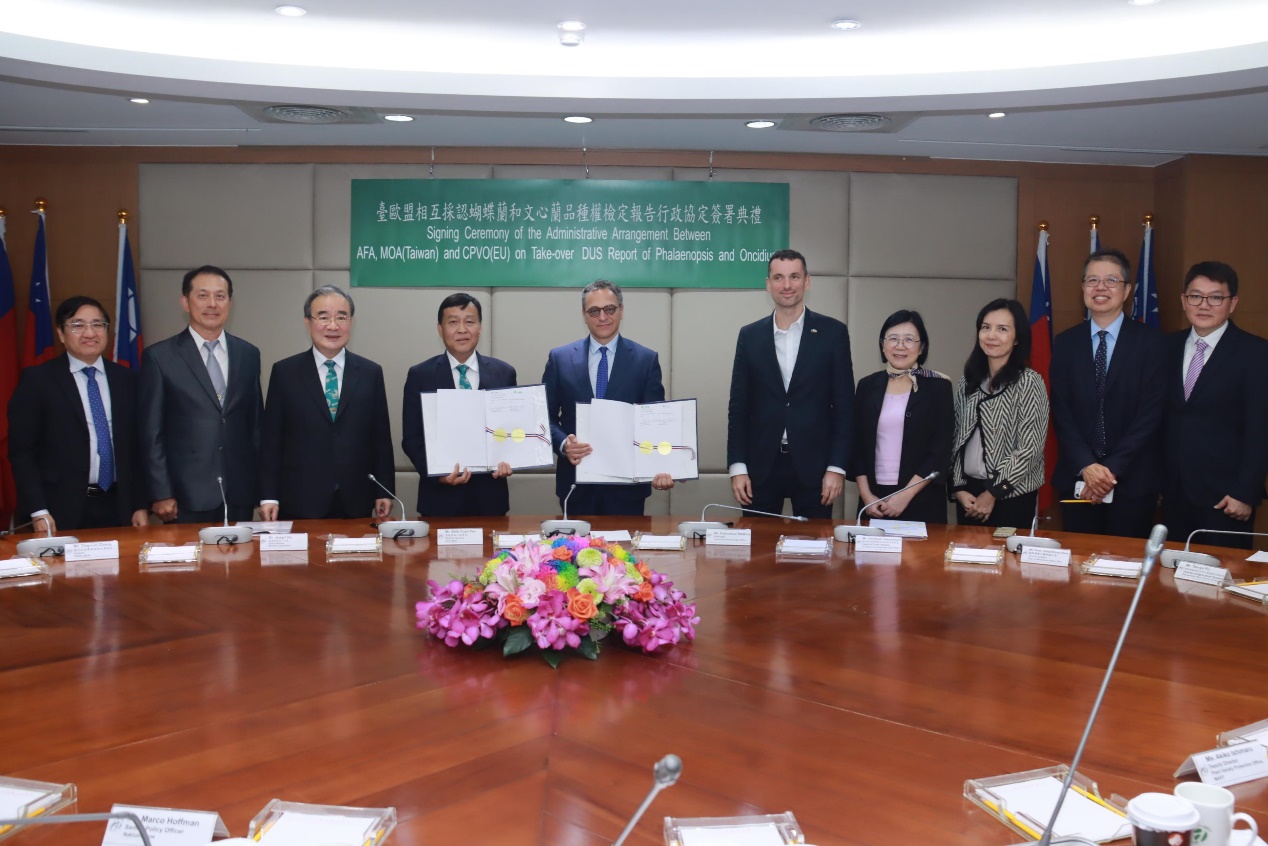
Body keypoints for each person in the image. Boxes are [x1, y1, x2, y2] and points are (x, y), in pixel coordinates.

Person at [727, 248, 854, 519]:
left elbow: (845, 407)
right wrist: (737, 467)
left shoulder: (833, 333)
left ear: (807, 281)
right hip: (760, 467)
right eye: (778, 278)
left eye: (794, 277)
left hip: (816, 469)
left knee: (815, 545)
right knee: (757, 545)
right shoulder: (749, 336)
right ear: (768, 284)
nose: (787, 285)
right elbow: (738, 407)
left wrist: (837, 467)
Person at [1050, 249, 1165, 538]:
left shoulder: (1152, 343)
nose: (1100, 287)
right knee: (1077, 560)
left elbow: (1150, 414)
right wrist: (1087, 465)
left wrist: (1109, 470)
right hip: (1078, 479)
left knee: (1126, 561)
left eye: (1111, 280)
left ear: (1126, 290)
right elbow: (1061, 411)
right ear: (1083, 288)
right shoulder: (1065, 343)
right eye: (1092, 280)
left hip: (1133, 482)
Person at [8, 296, 149, 532]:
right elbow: (22, 453)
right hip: (58, 509)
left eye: (97, 324)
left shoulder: (128, 379)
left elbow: (139, 447)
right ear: (61, 334)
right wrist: (38, 510)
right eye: (77, 325)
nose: (89, 333)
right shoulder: (38, 381)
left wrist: (141, 504)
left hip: (119, 507)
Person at [258, 285, 394, 521]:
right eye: (323, 317)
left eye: (341, 317)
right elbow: (271, 440)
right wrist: (268, 496)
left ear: (351, 322)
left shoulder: (370, 373)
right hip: (299, 499)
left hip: (355, 498)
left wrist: (384, 490)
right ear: (307, 323)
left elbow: (380, 438)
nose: (333, 325)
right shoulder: (285, 373)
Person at [139, 265, 262, 523]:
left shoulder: (249, 354)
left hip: (239, 493)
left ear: (230, 302)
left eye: (220, 296)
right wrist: (161, 492)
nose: (212, 304)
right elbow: (151, 433)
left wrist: (262, 490)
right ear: (185, 302)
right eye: (203, 295)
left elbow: (255, 426)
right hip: (184, 496)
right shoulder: (160, 357)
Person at [1161, 261, 1268, 549]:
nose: (1204, 305)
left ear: (1233, 303)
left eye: (1216, 297)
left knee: (1223, 574)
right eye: (1195, 296)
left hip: (1226, 499)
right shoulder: (1165, 348)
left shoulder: (1256, 353)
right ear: (1184, 300)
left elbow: (1260, 430)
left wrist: (1245, 492)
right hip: (1171, 493)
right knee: (1169, 572)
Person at [542, 279, 672, 516]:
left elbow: (655, 423)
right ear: (584, 315)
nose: (602, 317)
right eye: (594, 311)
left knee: (627, 542)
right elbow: (543, 418)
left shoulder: (645, 360)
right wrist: (564, 445)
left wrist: (663, 465)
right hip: (576, 485)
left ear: (621, 310)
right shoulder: (560, 359)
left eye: (609, 309)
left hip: (628, 489)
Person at [402, 293, 517, 517]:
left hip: (490, 500)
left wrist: (510, 458)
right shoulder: (420, 375)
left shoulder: (504, 373)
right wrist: (438, 475)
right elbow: (412, 439)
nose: (462, 329)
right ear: (440, 329)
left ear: (480, 327)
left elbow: (511, 431)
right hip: (439, 500)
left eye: (470, 321)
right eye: (453, 322)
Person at [950, 298, 1048, 527]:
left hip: (1012, 495)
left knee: (1007, 551)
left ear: (1017, 338)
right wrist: (958, 488)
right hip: (968, 496)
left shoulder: (1029, 382)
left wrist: (993, 492)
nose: (991, 335)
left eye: (1002, 329)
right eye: (986, 327)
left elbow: (1030, 448)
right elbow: (955, 439)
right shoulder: (967, 382)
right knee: (964, 551)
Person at [851, 310, 952, 524]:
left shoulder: (939, 387)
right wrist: (866, 495)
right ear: (882, 345)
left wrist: (905, 496)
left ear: (921, 347)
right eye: (893, 339)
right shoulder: (867, 386)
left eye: (909, 340)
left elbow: (940, 449)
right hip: (873, 499)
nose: (900, 346)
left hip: (921, 497)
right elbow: (857, 445)